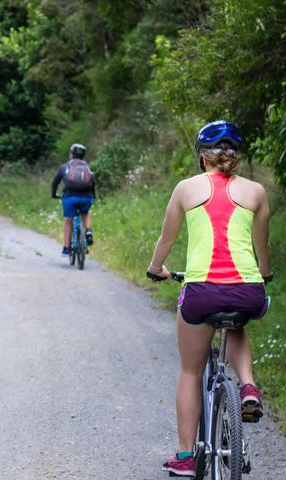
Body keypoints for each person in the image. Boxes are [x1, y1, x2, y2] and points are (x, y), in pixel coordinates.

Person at [146, 120, 272, 477]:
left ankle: (187, 457)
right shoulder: (256, 191)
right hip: (247, 290)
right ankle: (248, 386)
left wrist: (155, 268)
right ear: (236, 156)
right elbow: (262, 244)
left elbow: (167, 239)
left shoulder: (186, 189)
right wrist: (263, 275)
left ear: (203, 156)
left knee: (190, 370)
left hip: (202, 291)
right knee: (237, 323)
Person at [51, 143, 95, 255]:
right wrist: (92, 196)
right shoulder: (87, 167)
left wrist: (54, 194)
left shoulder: (65, 167)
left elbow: (55, 182)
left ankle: (66, 248)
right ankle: (88, 230)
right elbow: (92, 183)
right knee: (86, 213)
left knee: (68, 221)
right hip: (86, 197)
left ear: (71, 154)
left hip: (70, 198)